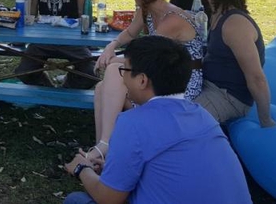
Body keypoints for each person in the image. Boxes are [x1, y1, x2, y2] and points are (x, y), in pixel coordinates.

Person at [63, 36, 251, 204]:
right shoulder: (202, 116)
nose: (123, 78)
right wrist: (115, 168)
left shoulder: (133, 123)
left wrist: (81, 169)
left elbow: (108, 198)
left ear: (142, 80)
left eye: (124, 70)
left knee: (75, 200)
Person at [89, 0, 204, 164]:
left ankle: (105, 146)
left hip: (180, 80)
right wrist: (111, 46)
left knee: (115, 71)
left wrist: (109, 60)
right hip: (158, 71)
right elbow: (130, 33)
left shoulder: (172, 19)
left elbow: (144, 57)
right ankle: (103, 146)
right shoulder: (147, 11)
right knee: (102, 87)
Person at [191, 0, 276, 127]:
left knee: (182, 121)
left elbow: (256, 77)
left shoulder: (235, 24)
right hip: (210, 85)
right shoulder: (217, 14)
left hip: (228, 97)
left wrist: (266, 120)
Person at [14, 0, 96, 89]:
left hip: (71, 36)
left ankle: (66, 87)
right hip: (43, 35)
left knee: (91, 74)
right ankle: (47, 87)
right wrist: (31, 27)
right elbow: (33, 2)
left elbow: (81, 10)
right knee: (24, 71)